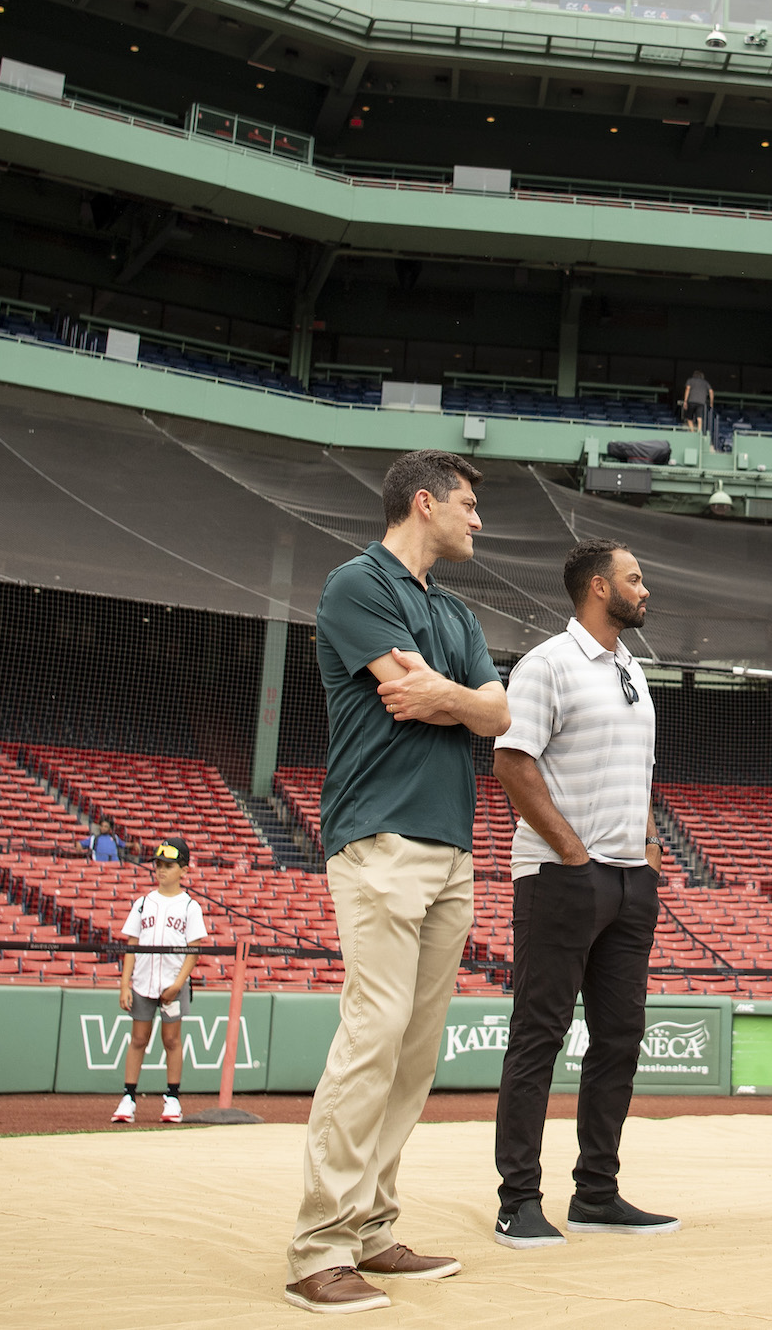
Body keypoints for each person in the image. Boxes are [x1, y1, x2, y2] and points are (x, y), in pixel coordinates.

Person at [286, 450, 513, 1315]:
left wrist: (450, 695)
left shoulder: (451, 610)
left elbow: (498, 712)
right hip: (378, 839)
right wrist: (467, 699)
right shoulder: (356, 583)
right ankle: (318, 1247)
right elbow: (407, 689)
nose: (477, 519)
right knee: (373, 1037)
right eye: (468, 504)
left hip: (452, 849)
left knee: (414, 1053)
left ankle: (372, 1227)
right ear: (425, 503)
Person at [490, 540, 677, 1250]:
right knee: (538, 1036)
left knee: (620, 1039)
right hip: (562, 874)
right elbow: (511, 761)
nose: (645, 588)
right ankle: (519, 1201)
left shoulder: (632, 667)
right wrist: (572, 851)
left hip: (631, 878)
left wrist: (650, 851)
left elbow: (640, 772)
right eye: (635, 577)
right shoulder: (547, 664)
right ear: (600, 587)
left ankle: (596, 1191)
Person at [114, 840, 206, 1125]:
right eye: (159, 865)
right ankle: (129, 1097)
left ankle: (173, 1098)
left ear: (184, 871)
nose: (162, 870)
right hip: (143, 982)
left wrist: (178, 984)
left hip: (172, 985)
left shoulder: (190, 906)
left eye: (169, 866)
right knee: (138, 1039)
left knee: (172, 1041)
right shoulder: (143, 903)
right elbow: (132, 944)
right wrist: (124, 984)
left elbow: (194, 949)